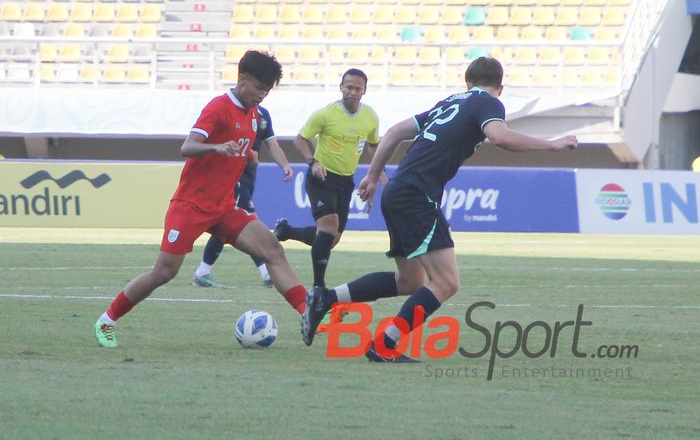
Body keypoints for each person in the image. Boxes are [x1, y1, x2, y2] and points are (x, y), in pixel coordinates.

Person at [300, 57, 579, 361]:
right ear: (500, 87)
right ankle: (384, 346)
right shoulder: (487, 102)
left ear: (467, 81)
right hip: (416, 196)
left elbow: (394, 132)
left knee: (410, 281)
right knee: (446, 283)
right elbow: (499, 136)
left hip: (398, 191)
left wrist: (371, 175)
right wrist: (551, 144)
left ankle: (325, 298)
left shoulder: (449, 103)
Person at [93, 50, 308, 348]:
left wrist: (248, 155)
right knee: (164, 271)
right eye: (259, 87)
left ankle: (309, 314)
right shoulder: (219, 107)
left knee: (272, 249)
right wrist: (218, 148)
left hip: (223, 206)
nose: (263, 94)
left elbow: (241, 146)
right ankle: (106, 321)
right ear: (241, 78)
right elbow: (188, 146)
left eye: (267, 90)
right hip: (191, 206)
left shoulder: (254, 114)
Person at [273, 68, 382, 291]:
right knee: (329, 225)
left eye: (357, 88)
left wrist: (378, 175)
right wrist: (312, 162)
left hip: (346, 180)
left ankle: (287, 231)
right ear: (341, 87)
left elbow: (374, 146)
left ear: (364, 91)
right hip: (321, 177)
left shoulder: (370, 116)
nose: (352, 92)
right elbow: (301, 139)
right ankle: (318, 288)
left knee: (331, 239)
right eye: (348, 87)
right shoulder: (326, 114)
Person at [191, 105, 293, 289]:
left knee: (238, 223)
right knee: (242, 220)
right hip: (230, 175)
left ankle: (204, 272)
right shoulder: (229, 110)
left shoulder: (263, 115)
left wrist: (284, 164)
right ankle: (264, 271)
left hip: (248, 176)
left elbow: (273, 144)